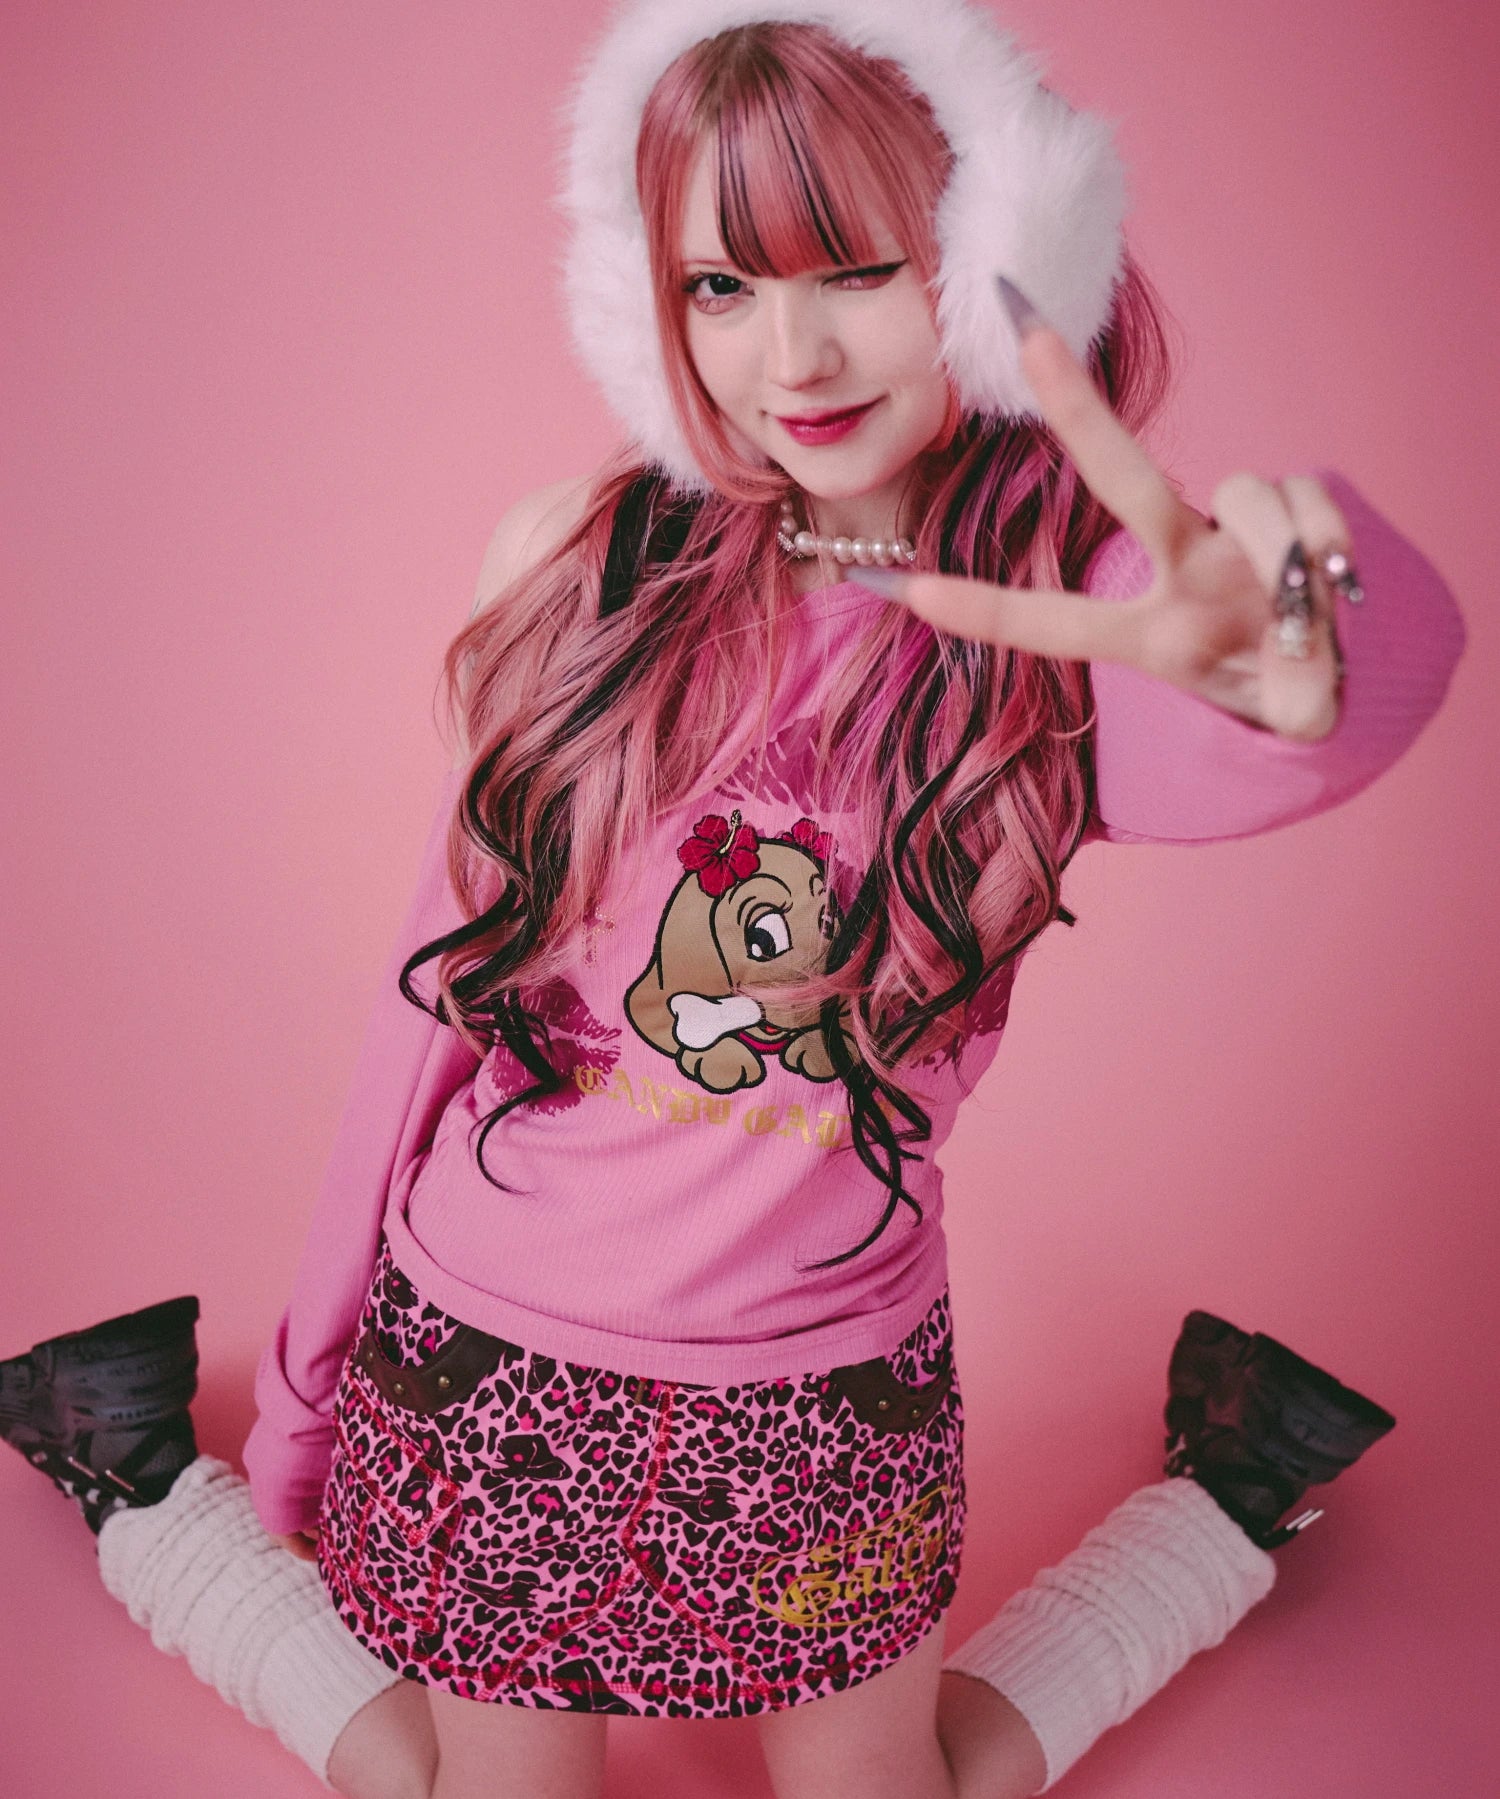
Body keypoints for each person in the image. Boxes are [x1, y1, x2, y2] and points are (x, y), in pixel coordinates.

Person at [0, 1, 1465, 1795]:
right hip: (494, 1363)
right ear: (652, 309)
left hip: (829, 1397)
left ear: (999, 259)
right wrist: (307, 1390)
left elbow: (1305, 716)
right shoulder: (578, 562)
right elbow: (429, 1001)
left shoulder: (1070, 628)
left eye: (860, 268)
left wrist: (1300, 654)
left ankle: (1226, 1495)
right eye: (721, 285)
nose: (796, 353)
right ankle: (150, 1486)